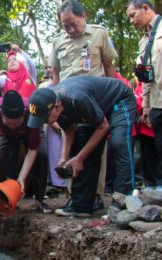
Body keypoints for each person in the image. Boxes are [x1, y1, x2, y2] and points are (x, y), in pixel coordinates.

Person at [28, 76, 136, 217]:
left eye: (44, 118)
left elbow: (103, 126)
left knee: (119, 143)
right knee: (81, 144)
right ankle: (81, 204)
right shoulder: (54, 102)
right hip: (93, 108)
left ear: (56, 107)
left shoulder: (76, 98)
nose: (44, 122)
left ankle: (124, 201)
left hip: (119, 100)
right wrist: (63, 158)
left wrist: (79, 158)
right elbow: (69, 130)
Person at [50, 0, 118, 210]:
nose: (70, 30)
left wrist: (112, 100)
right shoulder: (58, 41)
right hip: (66, 103)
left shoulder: (99, 34)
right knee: (71, 146)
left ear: (83, 16)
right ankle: (75, 195)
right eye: (65, 26)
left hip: (94, 99)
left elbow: (109, 68)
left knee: (95, 148)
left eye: (73, 24)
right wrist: (53, 106)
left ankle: (95, 195)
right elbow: (55, 75)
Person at [126, 0, 162, 195]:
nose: (131, 21)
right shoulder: (143, 41)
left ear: (146, 8)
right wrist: (146, 106)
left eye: (132, 15)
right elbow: (145, 78)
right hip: (157, 102)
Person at [0, 91, 51, 213]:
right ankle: (1, 200)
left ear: (24, 114)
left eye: (16, 122)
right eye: (9, 122)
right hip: (4, 133)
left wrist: (21, 178)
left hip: (29, 130)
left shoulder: (32, 111)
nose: (13, 126)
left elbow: (32, 149)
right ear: (1, 114)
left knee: (42, 154)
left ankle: (39, 200)